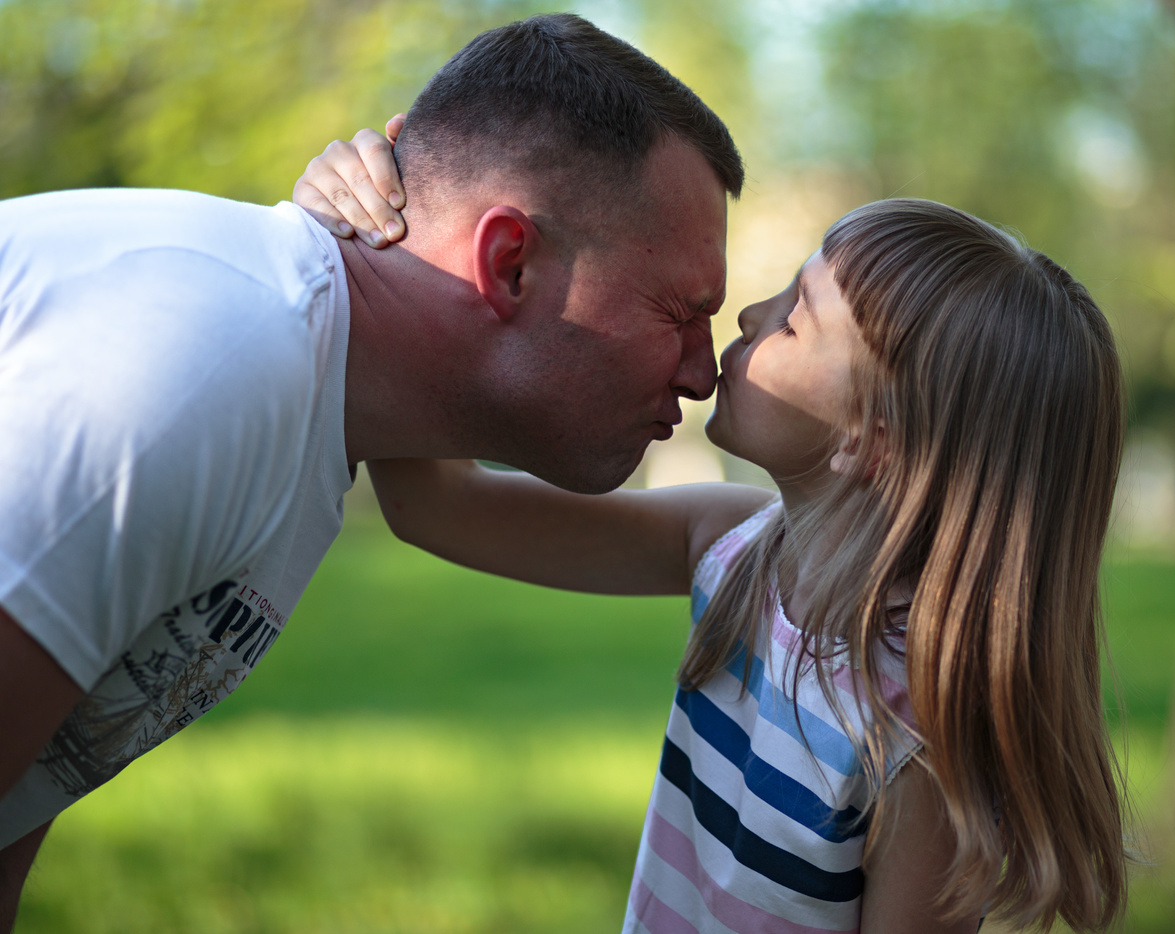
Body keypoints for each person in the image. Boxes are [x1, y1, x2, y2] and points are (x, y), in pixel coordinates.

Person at [0, 13, 743, 930]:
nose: (703, 372)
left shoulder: (313, 397)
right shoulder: (196, 378)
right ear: (508, 263)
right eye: (681, 310)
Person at [299, 151, 1130, 929]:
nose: (748, 313)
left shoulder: (918, 734)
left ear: (872, 437)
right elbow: (440, 509)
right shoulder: (733, 549)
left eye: (796, 317)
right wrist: (388, 241)